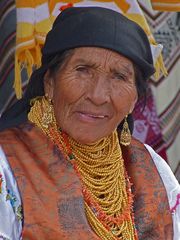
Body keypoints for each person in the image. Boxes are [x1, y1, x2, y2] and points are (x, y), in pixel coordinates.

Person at [0, 6, 179, 240]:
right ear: (49, 82)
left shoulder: (153, 169)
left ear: (134, 98)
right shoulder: (8, 164)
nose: (98, 95)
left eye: (119, 77)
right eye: (83, 70)